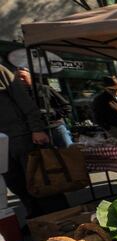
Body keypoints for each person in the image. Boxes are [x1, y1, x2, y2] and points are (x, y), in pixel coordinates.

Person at [0, 65, 69, 217]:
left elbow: (25, 102)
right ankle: (37, 221)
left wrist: (36, 129)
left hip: (22, 136)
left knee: (42, 181)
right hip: (2, 145)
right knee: (16, 184)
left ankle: (62, 219)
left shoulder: (1, 71)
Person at [16, 67, 73, 147]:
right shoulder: (17, 96)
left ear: (30, 76)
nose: (21, 79)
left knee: (70, 154)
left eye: (23, 76)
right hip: (33, 132)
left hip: (55, 128)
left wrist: (52, 113)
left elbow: (67, 107)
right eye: (18, 77)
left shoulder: (45, 89)